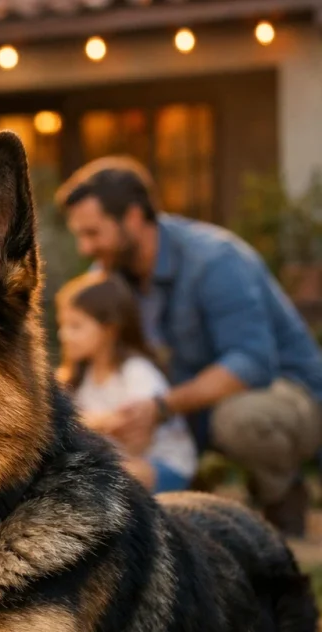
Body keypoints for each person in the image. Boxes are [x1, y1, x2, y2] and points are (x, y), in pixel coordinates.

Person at [57, 157, 322, 537]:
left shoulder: (214, 260)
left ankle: (281, 492)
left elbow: (252, 362)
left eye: (93, 233)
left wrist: (161, 408)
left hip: (286, 394)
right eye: (79, 235)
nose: (85, 248)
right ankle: (192, 487)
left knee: (240, 420)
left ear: (133, 218)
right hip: (191, 405)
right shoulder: (109, 277)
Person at [56, 272, 197, 493]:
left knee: (116, 474)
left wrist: (88, 425)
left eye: (76, 326)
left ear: (109, 330)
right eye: (62, 325)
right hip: (109, 462)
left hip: (160, 465)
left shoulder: (136, 372)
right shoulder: (78, 377)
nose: (64, 335)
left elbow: (138, 441)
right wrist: (103, 424)